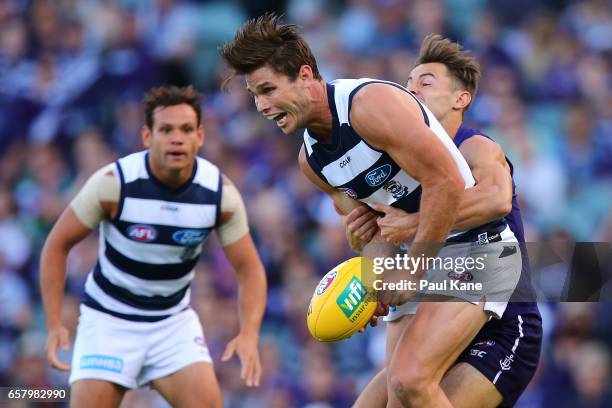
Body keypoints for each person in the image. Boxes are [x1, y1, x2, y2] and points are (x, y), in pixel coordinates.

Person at [221, 14, 522, 407]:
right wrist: (380, 284)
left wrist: (410, 271)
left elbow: (444, 182)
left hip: (478, 247)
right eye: (255, 96)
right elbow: (370, 232)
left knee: (410, 380)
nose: (261, 106)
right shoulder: (312, 162)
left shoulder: (368, 104)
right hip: (425, 259)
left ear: (304, 74)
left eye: (267, 90)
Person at [40, 85, 267, 408]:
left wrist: (249, 334)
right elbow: (56, 244)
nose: (177, 138)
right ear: (147, 136)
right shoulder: (114, 184)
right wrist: (53, 324)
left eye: (186, 129)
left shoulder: (220, 194)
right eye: (166, 130)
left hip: (171, 324)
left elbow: (250, 269)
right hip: (108, 321)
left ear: (200, 137)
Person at [347, 34, 542, 408]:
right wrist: (368, 258)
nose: (410, 89)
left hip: (503, 324)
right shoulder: (402, 164)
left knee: (408, 387)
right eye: (407, 83)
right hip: (437, 319)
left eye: (425, 82)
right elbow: (385, 240)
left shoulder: (475, 145)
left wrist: (414, 224)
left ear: (460, 98)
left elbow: (497, 199)